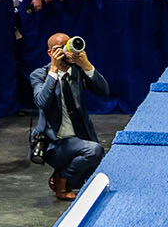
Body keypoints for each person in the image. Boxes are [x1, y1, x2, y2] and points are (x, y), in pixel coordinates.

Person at [29, 33, 109, 202]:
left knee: (88, 176)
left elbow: (104, 92)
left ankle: (62, 174)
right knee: (95, 151)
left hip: (79, 138)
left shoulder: (78, 71)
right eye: (60, 49)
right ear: (50, 53)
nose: (66, 52)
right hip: (54, 144)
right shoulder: (40, 75)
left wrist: (86, 65)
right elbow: (42, 102)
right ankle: (62, 180)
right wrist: (54, 70)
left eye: (68, 46)